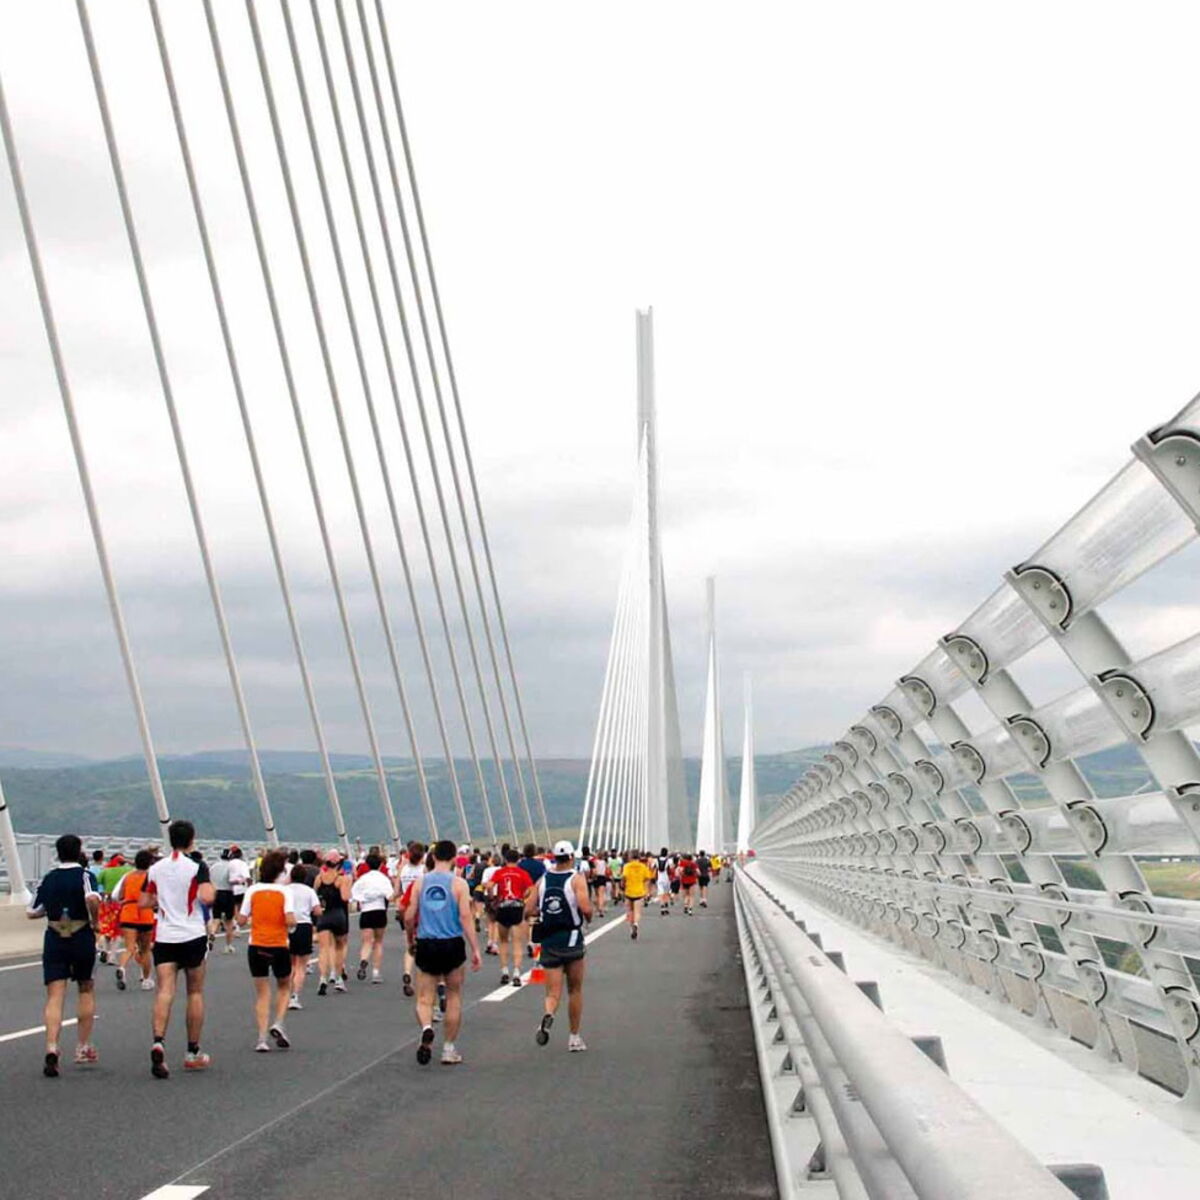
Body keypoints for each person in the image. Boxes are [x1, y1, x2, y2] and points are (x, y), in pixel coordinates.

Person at [141, 819, 214, 1079]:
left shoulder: (156, 868)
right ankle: (192, 1051)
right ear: (192, 839)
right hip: (192, 933)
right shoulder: (197, 866)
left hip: (165, 935)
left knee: (165, 990)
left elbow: (144, 901)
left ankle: (158, 1040)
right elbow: (206, 896)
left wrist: (162, 904)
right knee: (194, 991)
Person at [26, 834, 101, 1076]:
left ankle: (51, 1046)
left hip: (55, 936)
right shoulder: (85, 876)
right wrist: (96, 920)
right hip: (80, 934)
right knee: (85, 988)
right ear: (79, 851)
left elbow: (32, 911)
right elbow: (92, 898)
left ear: (57, 853)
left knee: (55, 995)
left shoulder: (49, 878)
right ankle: (82, 1046)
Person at [405, 839, 481, 1066]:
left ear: (434, 856)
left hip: (427, 942)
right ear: (454, 858)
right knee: (454, 995)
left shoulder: (421, 882)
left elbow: (409, 916)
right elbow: (466, 917)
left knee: (424, 997)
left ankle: (427, 1028)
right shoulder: (459, 884)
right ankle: (449, 1049)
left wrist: (411, 938)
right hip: (452, 943)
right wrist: (475, 948)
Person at [527, 839, 592, 1051]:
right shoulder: (576, 878)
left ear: (554, 857)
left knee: (552, 992)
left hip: (549, 940)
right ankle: (574, 1037)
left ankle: (548, 1014)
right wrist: (588, 916)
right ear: (572, 857)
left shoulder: (543, 880)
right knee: (575, 990)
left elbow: (528, 909)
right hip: (572, 939)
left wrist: (541, 912)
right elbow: (585, 907)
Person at [237, 849, 297, 1051]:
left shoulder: (252, 891)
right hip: (279, 944)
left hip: (256, 945)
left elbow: (242, 920)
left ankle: (261, 1038)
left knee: (262, 993)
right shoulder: (285, 892)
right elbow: (290, 920)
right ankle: (278, 1022)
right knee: (284, 986)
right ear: (280, 872)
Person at [487, 848, 533, 986]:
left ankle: (505, 971)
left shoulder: (499, 872)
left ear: (505, 859)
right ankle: (517, 973)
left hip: (503, 907)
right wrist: (523, 897)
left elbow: (489, 886)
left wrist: (492, 897)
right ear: (518, 860)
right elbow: (531, 889)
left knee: (503, 941)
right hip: (517, 906)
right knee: (517, 942)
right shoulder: (522, 873)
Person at [112, 849, 156, 990]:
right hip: (145, 913)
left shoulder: (127, 876)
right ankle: (146, 979)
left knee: (129, 948)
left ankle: (122, 967)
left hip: (128, 912)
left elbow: (117, 895)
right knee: (145, 949)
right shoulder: (151, 877)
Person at [315, 852, 352, 996]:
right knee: (339, 947)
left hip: (324, 915)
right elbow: (345, 897)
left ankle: (322, 979)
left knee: (324, 949)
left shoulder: (319, 878)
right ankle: (338, 978)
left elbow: (315, 895)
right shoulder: (342, 879)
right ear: (338, 864)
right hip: (339, 914)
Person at [351, 852, 391, 984]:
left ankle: (363, 960)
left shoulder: (363, 879)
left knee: (367, 941)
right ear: (380, 865)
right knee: (378, 942)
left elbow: (354, 894)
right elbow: (389, 895)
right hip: (379, 910)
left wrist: (364, 898)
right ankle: (376, 972)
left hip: (366, 911)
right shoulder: (383, 879)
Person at [287, 863, 322, 1010]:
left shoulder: (284, 890)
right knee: (301, 964)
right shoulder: (309, 891)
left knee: (290, 964)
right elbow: (317, 911)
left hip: (286, 925)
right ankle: (295, 996)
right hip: (304, 925)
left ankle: (286, 994)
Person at [394, 842, 426, 998]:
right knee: (425, 945)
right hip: (422, 909)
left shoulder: (403, 869)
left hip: (406, 907)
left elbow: (397, 890)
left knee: (409, 944)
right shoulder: (424, 871)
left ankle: (407, 972)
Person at [95, 853, 129, 965]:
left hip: (107, 902)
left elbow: (97, 882)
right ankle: (112, 957)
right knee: (118, 932)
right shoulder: (128, 871)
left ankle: (105, 949)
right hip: (121, 903)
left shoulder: (105, 871)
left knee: (106, 928)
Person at [620, 850, 653, 940]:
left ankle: (631, 928)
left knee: (630, 911)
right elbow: (647, 879)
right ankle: (636, 924)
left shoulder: (627, 866)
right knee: (637, 912)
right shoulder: (643, 867)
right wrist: (646, 892)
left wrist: (622, 887)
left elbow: (624, 878)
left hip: (629, 891)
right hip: (639, 892)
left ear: (630, 857)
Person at [225, 847, 250, 951]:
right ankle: (237, 926)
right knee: (239, 907)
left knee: (234, 906)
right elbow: (247, 877)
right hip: (242, 887)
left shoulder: (229, 863)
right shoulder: (243, 863)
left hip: (231, 888)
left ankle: (235, 924)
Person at [589, 849, 608, 916]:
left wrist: (592, 878)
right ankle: (601, 909)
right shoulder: (604, 862)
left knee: (597, 894)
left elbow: (594, 871)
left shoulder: (595, 862)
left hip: (596, 878)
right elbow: (606, 870)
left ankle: (597, 909)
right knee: (601, 895)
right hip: (602, 878)